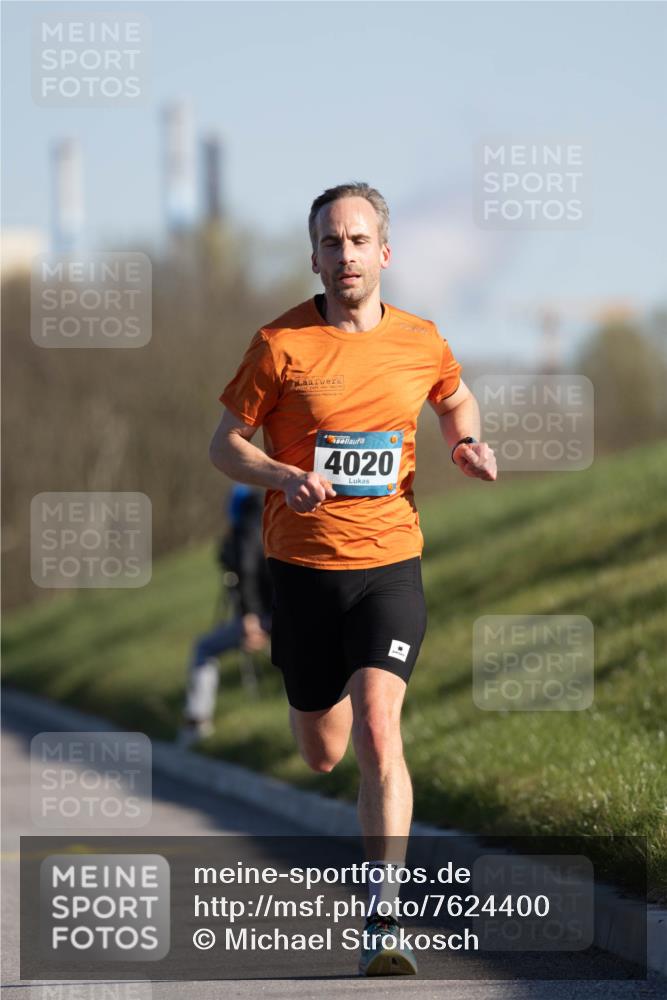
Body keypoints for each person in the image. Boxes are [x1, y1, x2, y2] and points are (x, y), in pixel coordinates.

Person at [209, 182, 497, 976]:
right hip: (301, 573)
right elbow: (223, 445)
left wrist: (464, 441)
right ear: (314, 257)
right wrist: (278, 473)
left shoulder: (420, 339)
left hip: (389, 564)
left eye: (358, 240)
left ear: (384, 252)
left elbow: (455, 396)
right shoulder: (279, 345)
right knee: (324, 752)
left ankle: (384, 916)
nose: (345, 254)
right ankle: (313, 709)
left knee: (378, 727)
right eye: (331, 243)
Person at [180, 484, 272, 745]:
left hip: (264, 614)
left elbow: (245, 566)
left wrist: (250, 615)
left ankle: (197, 722)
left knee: (204, 648)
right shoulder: (278, 516)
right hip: (294, 610)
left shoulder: (246, 527)